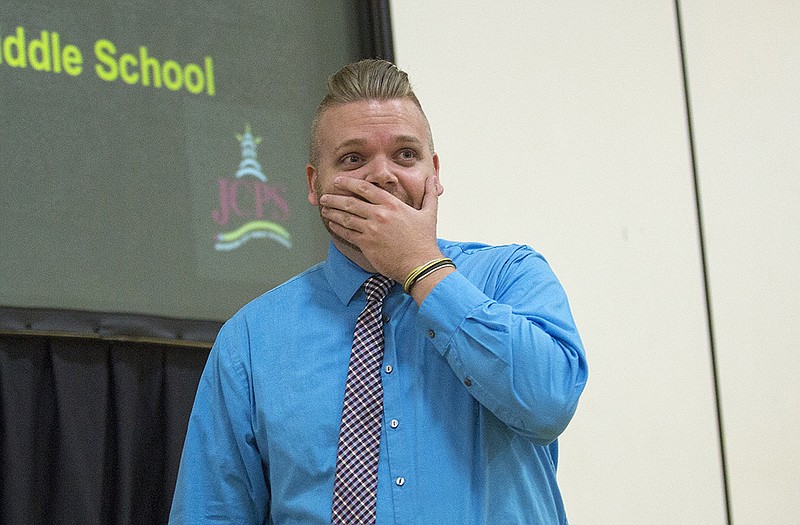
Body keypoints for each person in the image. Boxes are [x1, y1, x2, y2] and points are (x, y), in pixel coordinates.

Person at [169, 59, 587, 524]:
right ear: (314, 184)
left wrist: (420, 266)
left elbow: (549, 402)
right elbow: (210, 513)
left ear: (434, 172)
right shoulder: (250, 339)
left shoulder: (510, 276)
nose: (382, 176)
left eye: (405, 155)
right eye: (353, 159)